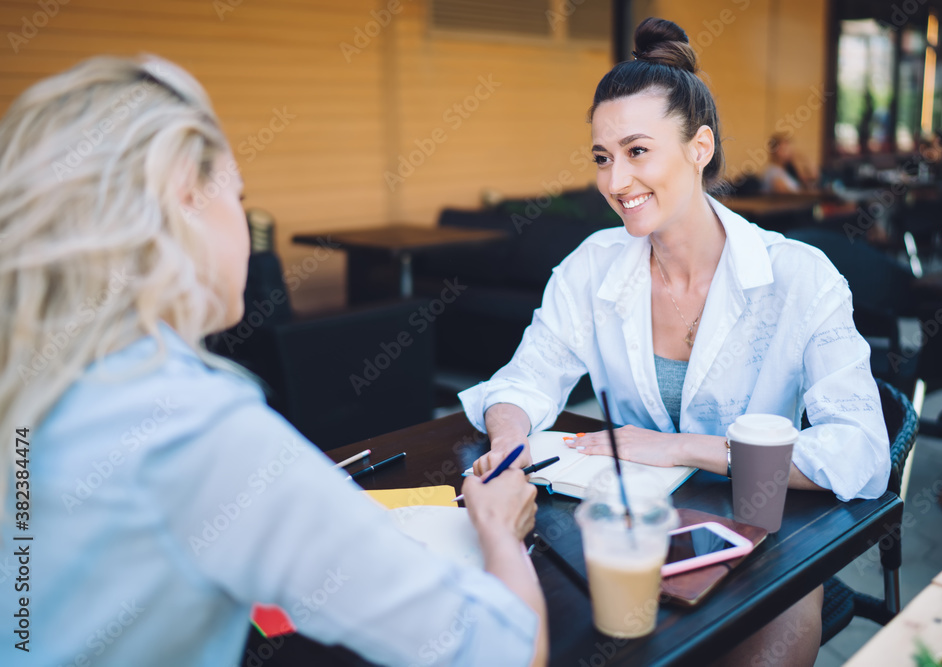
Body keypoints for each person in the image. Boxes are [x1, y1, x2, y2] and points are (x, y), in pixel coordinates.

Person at [0, 56, 546, 666]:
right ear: (185, 198)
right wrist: (498, 527)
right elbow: (502, 651)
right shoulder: (193, 423)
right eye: (238, 196)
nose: (242, 218)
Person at [462, 17, 890, 667]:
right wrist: (505, 446)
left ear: (699, 147)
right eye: (603, 158)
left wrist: (682, 448)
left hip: (760, 536)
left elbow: (861, 453)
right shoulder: (591, 266)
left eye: (637, 151)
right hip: (632, 530)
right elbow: (525, 379)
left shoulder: (800, 278)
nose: (614, 182)